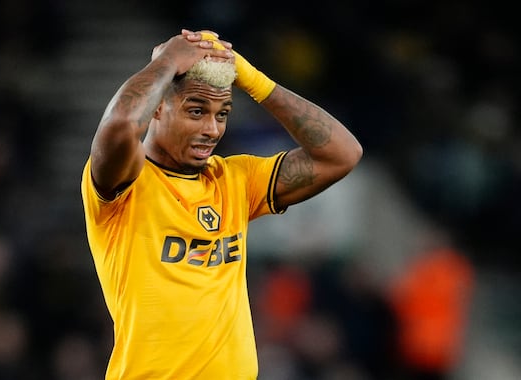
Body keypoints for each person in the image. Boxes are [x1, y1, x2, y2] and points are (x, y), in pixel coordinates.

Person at [80, 28, 363, 379]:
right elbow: (121, 124)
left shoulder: (235, 179)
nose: (212, 129)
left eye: (222, 114)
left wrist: (253, 79)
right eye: (196, 111)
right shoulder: (127, 183)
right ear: (156, 109)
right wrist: (168, 61)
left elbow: (342, 154)